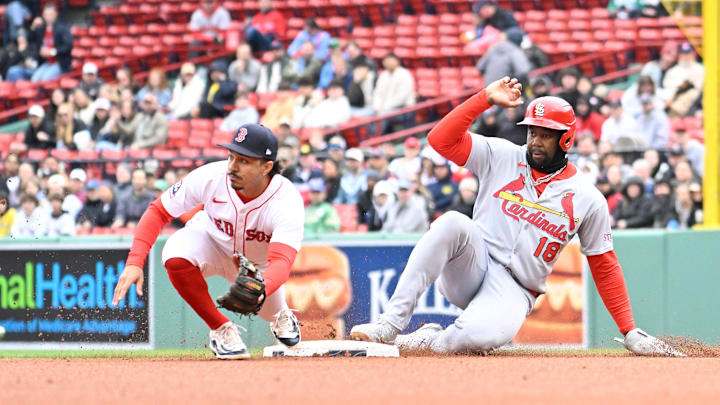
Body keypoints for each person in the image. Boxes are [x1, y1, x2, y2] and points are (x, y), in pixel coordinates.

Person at [350, 77, 682, 357]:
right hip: (473, 262)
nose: (536, 140)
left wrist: (628, 330)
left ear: (566, 139)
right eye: (532, 131)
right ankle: (390, 325)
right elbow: (440, 140)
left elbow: (604, 263)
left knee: (469, 341)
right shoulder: (502, 155)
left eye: (546, 134)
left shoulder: (587, 197)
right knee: (452, 221)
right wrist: (483, 100)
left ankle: (427, 340)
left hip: (514, 287)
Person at [112, 123, 304, 359]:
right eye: (231, 156)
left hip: (258, 267)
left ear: (266, 167)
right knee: (174, 254)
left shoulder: (286, 200)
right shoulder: (211, 176)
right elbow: (158, 211)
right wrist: (134, 261)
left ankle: (281, 314)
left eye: (244, 161)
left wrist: (262, 289)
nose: (233, 166)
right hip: (210, 242)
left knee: (269, 310)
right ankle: (221, 329)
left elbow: (282, 261)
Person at [28, 3, 73, 82]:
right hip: (46, 62)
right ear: (43, 15)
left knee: (44, 80)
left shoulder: (63, 27)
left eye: (51, 14)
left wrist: (53, 51)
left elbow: (68, 45)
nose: (49, 17)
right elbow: (30, 40)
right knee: (34, 80)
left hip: (60, 63)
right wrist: (33, 27)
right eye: (46, 15)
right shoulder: (41, 28)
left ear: (56, 14)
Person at [663, 42, 704, 117]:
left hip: (697, 106)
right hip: (676, 107)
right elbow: (668, 92)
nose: (686, 56)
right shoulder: (672, 71)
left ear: (693, 54)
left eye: (688, 53)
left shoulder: (701, 69)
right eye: (683, 53)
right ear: (680, 55)